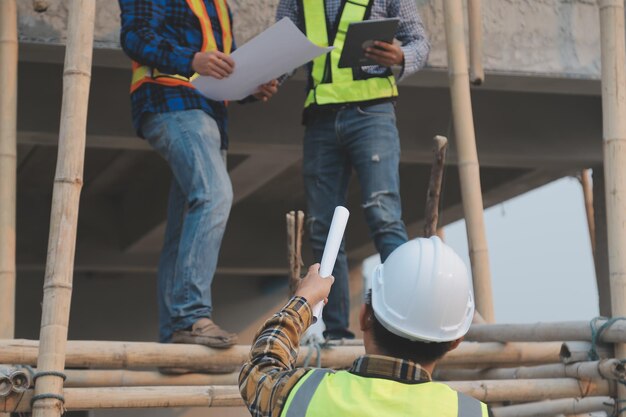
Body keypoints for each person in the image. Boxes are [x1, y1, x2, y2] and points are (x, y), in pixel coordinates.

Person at [118, 0, 278, 349]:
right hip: (170, 103)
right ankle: (190, 317)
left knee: (186, 220)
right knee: (214, 194)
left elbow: (223, 67)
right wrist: (191, 59)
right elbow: (134, 37)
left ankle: (176, 333)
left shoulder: (219, 5)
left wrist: (250, 87)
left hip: (208, 114)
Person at [276, 0, 431, 340]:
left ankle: (404, 324)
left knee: (384, 215)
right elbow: (284, 46)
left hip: (372, 114)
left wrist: (401, 56)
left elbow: (419, 41)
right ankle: (336, 332)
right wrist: (267, 77)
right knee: (323, 227)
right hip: (320, 118)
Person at [240, 236, 488, 417]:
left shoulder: (307, 393)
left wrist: (304, 299)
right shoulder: (473, 413)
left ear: (364, 317)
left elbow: (260, 369)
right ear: (456, 340)